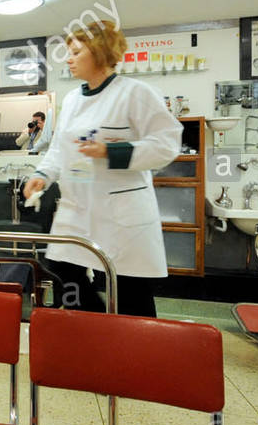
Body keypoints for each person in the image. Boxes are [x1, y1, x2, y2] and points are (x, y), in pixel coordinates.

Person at [22, 21, 181, 317]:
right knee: (62, 271)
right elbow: (59, 149)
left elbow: (167, 143)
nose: (68, 58)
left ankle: (137, 352)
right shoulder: (71, 100)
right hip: (77, 209)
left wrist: (112, 152)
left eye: (76, 51)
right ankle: (89, 334)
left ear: (100, 52)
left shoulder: (135, 93)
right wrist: (41, 176)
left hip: (122, 214)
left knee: (131, 294)